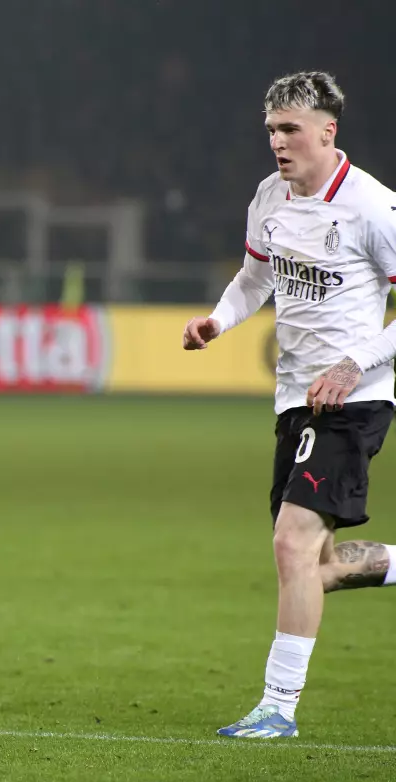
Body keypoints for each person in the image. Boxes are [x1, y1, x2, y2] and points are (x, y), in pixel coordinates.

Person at [183, 71, 396, 739]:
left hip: (355, 399)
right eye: (271, 129)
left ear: (328, 132)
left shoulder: (373, 207)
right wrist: (218, 321)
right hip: (294, 398)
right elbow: (255, 278)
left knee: (291, 542)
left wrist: (355, 365)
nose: (277, 141)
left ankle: (277, 708)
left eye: (290, 129)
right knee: (314, 564)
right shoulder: (269, 197)